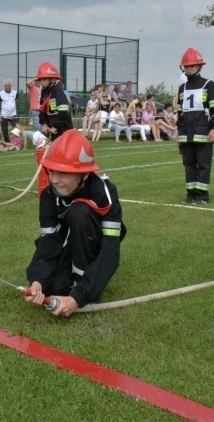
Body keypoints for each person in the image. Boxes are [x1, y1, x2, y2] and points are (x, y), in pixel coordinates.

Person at [23, 129, 126, 317]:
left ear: (84, 174)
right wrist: (38, 282)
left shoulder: (104, 194)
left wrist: (78, 297)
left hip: (95, 245)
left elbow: (110, 251)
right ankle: (68, 282)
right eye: (51, 171)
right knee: (53, 288)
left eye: (63, 173)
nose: (55, 180)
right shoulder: (48, 196)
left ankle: (84, 284)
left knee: (80, 211)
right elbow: (48, 242)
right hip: (68, 241)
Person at [175, 48, 214, 204]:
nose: (189, 68)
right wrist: (178, 131)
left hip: (203, 132)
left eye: (192, 65)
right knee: (188, 164)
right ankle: (191, 194)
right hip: (186, 133)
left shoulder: (209, 85)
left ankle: (202, 196)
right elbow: (180, 111)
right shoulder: (182, 88)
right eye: (187, 66)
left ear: (199, 66)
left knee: (203, 164)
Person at [37, 62, 72, 141]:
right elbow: (43, 110)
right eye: (40, 79)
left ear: (52, 79)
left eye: (44, 79)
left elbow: (63, 110)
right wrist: (44, 124)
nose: (41, 82)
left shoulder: (57, 90)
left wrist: (55, 126)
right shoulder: (44, 91)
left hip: (63, 128)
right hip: (52, 127)